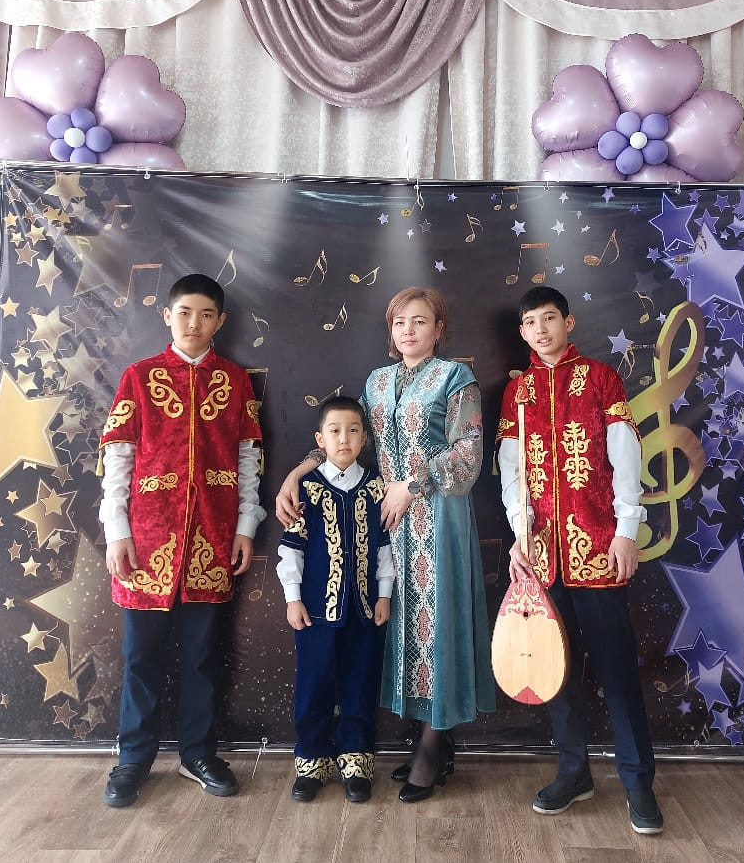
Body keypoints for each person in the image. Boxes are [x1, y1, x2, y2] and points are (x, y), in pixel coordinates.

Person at [276, 286, 495, 803]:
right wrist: (299, 472)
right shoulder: (377, 382)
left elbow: (468, 452)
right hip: (385, 519)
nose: (409, 331)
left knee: (439, 624)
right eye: (400, 323)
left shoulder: (455, 377)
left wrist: (411, 485)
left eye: (420, 321)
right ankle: (433, 743)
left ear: (439, 329)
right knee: (400, 623)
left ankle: (431, 749)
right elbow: (350, 438)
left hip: (438, 514)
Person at [496, 286, 662, 835]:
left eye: (549, 318)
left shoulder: (599, 378)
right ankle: (574, 772)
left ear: (568, 322)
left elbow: (625, 458)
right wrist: (521, 535)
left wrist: (626, 532)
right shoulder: (516, 392)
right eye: (530, 323)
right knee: (555, 671)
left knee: (616, 668)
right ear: (522, 332)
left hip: (599, 548)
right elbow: (513, 471)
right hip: (543, 556)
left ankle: (638, 783)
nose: (540, 330)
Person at [98, 273, 265, 808]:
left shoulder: (234, 381)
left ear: (221, 321)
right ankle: (133, 757)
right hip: (146, 540)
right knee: (141, 656)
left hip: (211, 538)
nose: (195, 323)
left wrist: (245, 526)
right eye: (185, 312)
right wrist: (117, 531)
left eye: (206, 314)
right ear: (167, 316)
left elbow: (248, 459)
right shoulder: (139, 377)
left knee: (201, 656)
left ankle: (198, 753)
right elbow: (117, 459)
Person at [276, 395, 394, 804]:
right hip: (315, 612)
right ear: (320, 440)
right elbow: (291, 550)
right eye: (335, 431)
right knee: (314, 686)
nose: (344, 439)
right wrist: (293, 598)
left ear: (365, 438)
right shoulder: (306, 489)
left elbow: (384, 549)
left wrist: (384, 594)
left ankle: (356, 761)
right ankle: (311, 760)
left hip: (364, 611)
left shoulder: (376, 487)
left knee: (360, 683)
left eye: (353, 431)